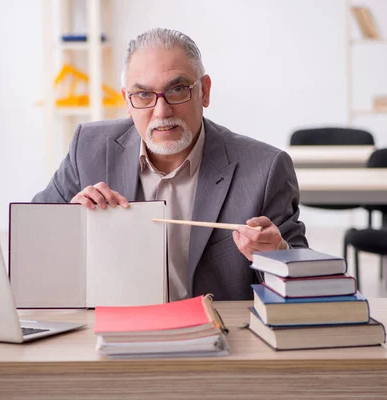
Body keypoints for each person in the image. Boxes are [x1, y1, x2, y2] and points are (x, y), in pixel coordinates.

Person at [33, 28, 308, 301]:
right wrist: (69, 223)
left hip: (218, 336)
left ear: (205, 91)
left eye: (177, 90)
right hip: (111, 331)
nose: (162, 112)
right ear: (127, 102)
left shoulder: (264, 169)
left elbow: (304, 289)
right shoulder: (88, 148)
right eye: (143, 95)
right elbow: (32, 244)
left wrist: (276, 256)